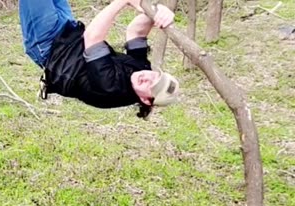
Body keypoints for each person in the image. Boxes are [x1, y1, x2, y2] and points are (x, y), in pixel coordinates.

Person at [19, 0, 180, 118]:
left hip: (49, 44)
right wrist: (158, 12)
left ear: (145, 100)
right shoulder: (142, 70)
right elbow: (136, 32)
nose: (147, 77)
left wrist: (122, 2)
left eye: (151, 86)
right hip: (68, 30)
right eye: (155, 77)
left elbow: (92, 37)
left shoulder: (110, 87)